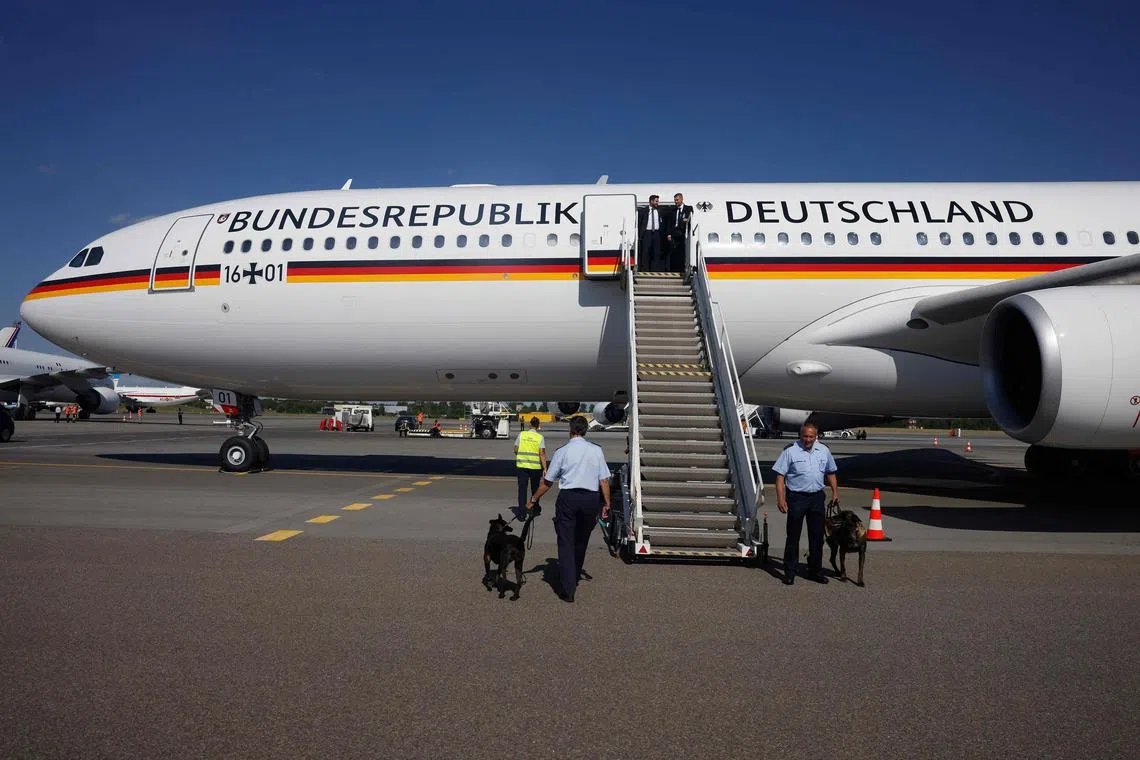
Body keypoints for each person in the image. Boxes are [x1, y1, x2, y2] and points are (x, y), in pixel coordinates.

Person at [525, 416, 611, 603]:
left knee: (565, 542)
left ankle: (568, 588)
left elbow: (548, 481)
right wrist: (607, 504)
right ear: (585, 431)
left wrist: (534, 499)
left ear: (570, 430)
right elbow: (604, 480)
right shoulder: (596, 450)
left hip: (569, 499)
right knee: (581, 541)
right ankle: (574, 574)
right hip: (590, 499)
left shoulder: (562, 451)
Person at [773, 422, 839, 585]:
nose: (808, 440)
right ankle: (790, 572)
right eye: (805, 436)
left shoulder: (824, 450)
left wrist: (835, 492)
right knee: (793, 536)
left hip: (817, 497)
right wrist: (781, 498)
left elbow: (831, 472)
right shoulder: (790, 451)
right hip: (797, 498)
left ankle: (815, 571)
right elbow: (780, 476)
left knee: (817, 537)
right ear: (800, 435)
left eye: (811, 436)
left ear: (816, 436)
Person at [512, 416, 548, 521]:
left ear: (530, 424)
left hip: (522, 466)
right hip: (535, 467)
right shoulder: (540, 437)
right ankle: (535, 509)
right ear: (538, 425)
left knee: (522, 489)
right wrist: (545, 468)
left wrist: (520, 455)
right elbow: (542, 454)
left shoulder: (522, 434)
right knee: (535, 489)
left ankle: (521, 514)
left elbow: (515, 448)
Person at [665, 192, 693, 272]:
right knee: (673, 252)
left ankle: (682, 269)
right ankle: (674, 269)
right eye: (675, 200)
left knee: (682, 251)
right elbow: (669, 223)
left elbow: (691, 217)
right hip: (674, 233)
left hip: (683, 232)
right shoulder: (673, 210)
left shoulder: (688, 208)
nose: (676, 202)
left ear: (682, 199)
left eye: (677, 200)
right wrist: (669, 234)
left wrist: (687, 220)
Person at [637, 194, 664, 272]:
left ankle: (655, 270)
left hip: (656, 233)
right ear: (651, 201)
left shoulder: (659, 210)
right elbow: (639, 223)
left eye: (657, 201)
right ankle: (644, 269)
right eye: (656, 201)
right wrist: (640, 234)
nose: (657, 203)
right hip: (647, 233)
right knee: (645, 252)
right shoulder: (643, 211)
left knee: (656, 252)